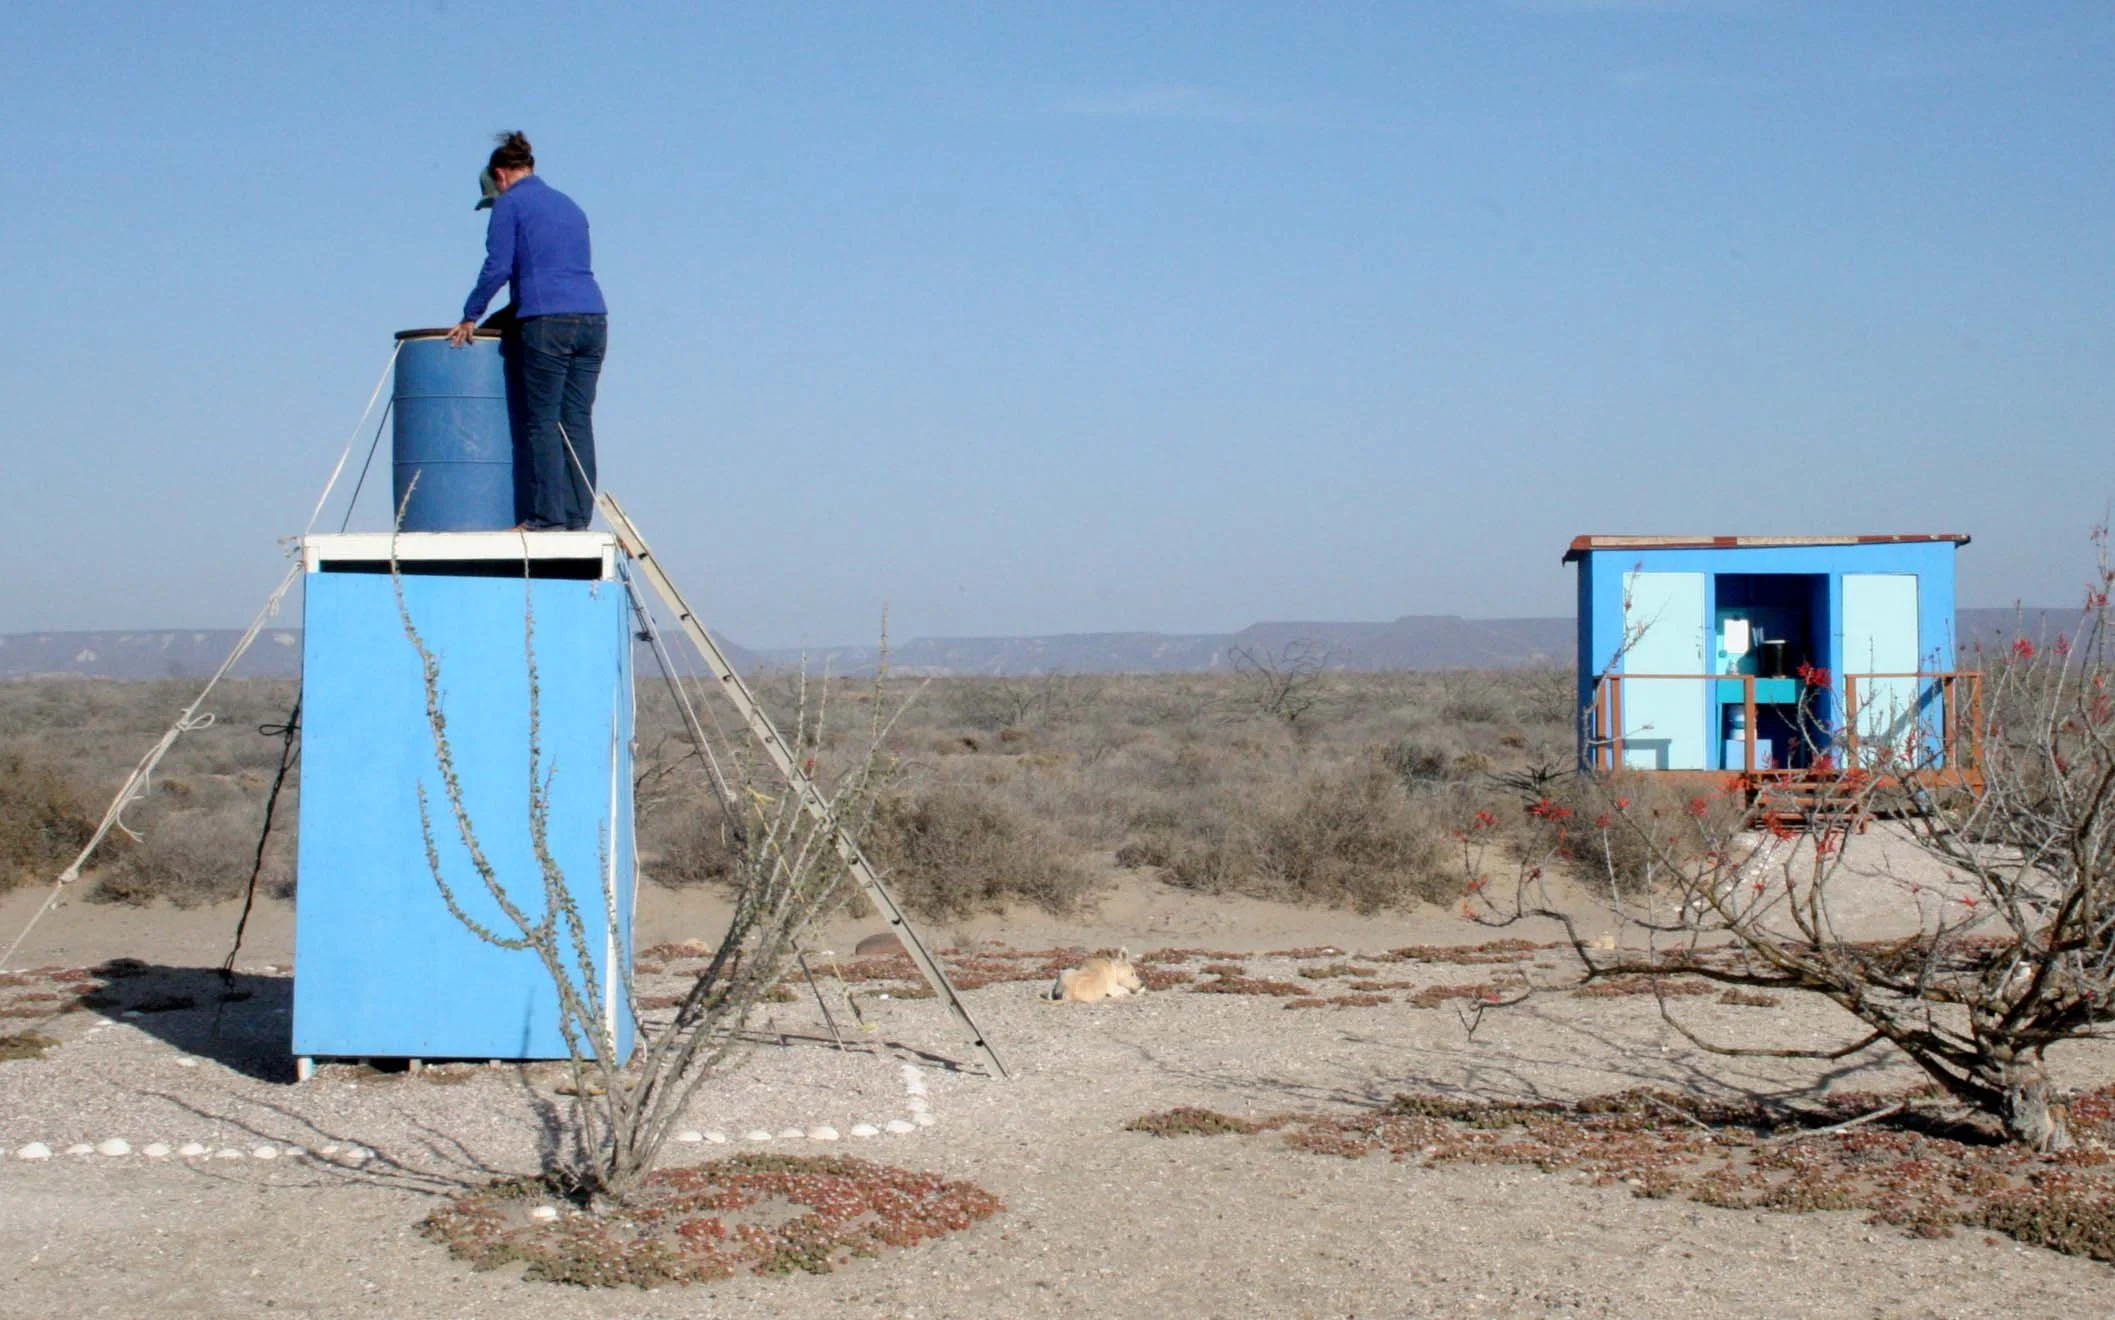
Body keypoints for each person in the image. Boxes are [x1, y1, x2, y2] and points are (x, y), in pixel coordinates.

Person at [447, 131, 608, 531]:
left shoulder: (511, 204)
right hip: (593, 318)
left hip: (547, 325)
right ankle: (576, 519)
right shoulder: (569, 205)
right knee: (576, 421)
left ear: (500, 176)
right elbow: (554, 275)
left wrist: (470, 315)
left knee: (541, 421)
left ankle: (545, 518)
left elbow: (498, 267)